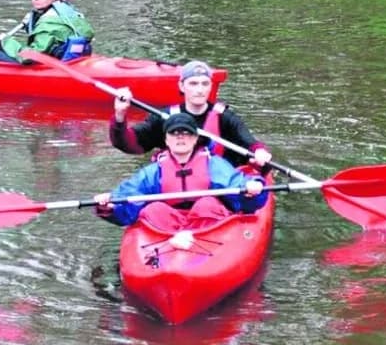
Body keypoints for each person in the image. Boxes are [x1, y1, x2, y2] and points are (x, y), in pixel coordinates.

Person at [94, 113, 268, 231]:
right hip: (165, 228)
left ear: (195, 140)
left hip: (208, 226)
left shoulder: (213, 165)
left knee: (207, 204)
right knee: (154, 209)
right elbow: (128, 195)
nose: (180, 137)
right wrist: (109, 206)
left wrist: (251, 189)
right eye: (174, 133)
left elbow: (237, 183)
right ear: (166, 140)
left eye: (186, 133)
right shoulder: (154, 172)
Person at [110, 60, 272, 170]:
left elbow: (250, 142)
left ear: (210, 87)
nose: (199, 89)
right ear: (181, 86)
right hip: (176, 182)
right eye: (193, 83)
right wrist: (120, 115)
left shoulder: (225, 117)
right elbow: (128, 143)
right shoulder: (165, 117)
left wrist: (259, 152)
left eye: (204, 83)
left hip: (220, 183)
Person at [0, 0, 95, 63]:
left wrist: (6, 42)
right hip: (72, 56)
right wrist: (33, 20)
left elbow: (29, 57)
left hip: (45, 63)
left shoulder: (47, 26)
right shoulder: (65, 9)